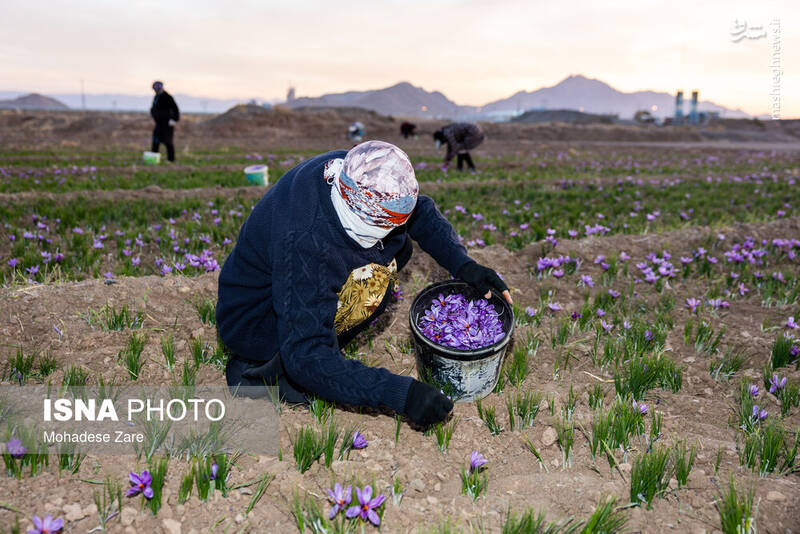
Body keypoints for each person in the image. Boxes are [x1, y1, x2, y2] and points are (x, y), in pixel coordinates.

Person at [217, 140, 512, 428]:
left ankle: (320, 347)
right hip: (255, 319)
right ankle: (264, 367)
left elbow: (420, 213)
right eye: (377, 230)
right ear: (353, 215)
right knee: (365, 291)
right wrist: (401, 395)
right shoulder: (308, 245)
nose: (387, 234)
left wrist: (465, 265)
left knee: (393, 253)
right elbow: (307, 356)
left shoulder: (362, 169)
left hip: (293, 280)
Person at [150, 81, 180, 162]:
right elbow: (154, 108)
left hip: (167, 123)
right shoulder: (156, 97)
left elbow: (175, 108)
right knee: (155, 141)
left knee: (168, 141)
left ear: (162, 88)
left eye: (158, 89)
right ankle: (153, 159)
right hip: (159, 123)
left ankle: (171, 159)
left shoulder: (167, 97)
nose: (156, 90)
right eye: (155, 89)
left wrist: (174, 119)